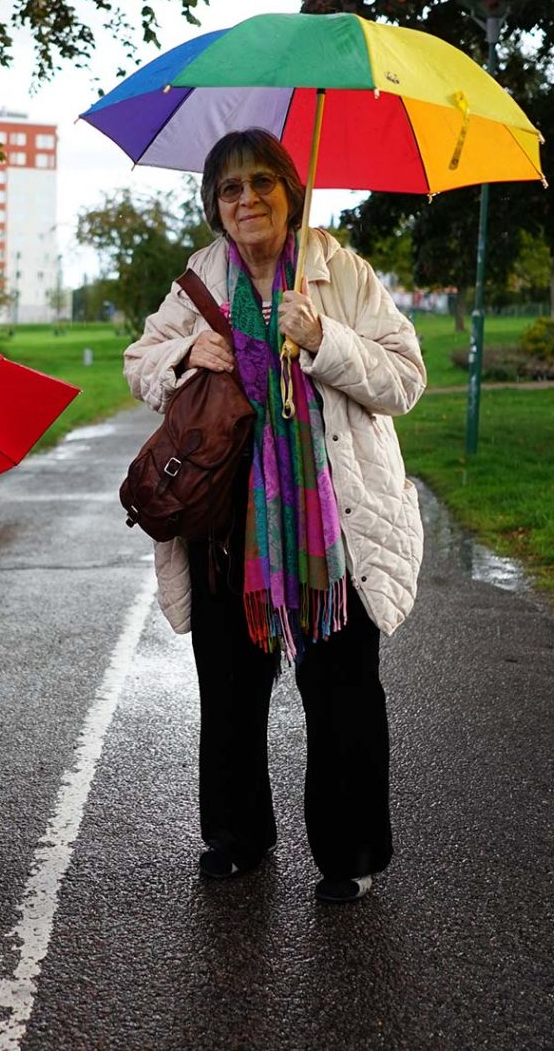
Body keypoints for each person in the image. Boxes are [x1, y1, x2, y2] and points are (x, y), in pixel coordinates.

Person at [123, 128, 426, 904]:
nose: (247, 199)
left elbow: (404, 379)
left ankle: (349, 853)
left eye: (262, 183)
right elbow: (140, 361)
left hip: (335, 523)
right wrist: (188, 355)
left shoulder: (340, 270)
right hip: (228, 525)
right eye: (230, 189)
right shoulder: (204, 273)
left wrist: (324, 338)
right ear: (215, 207)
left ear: (290, 192)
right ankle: (237, 835)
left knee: (343, 692)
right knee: (228, 690)